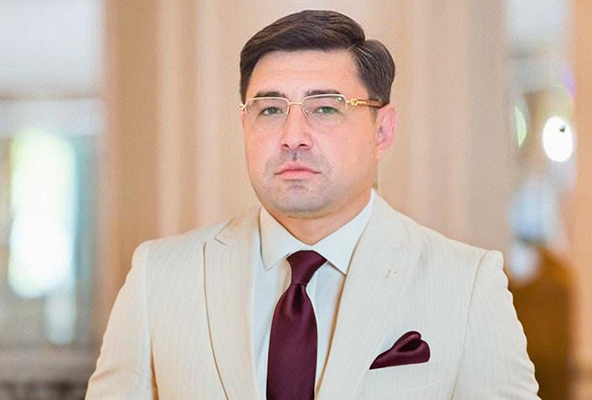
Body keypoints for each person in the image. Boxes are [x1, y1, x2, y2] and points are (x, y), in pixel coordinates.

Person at [86, 9, 540, 400]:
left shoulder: (465, 283)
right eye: (270, 110)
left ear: (382, 131)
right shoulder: (159, 276)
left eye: (325, 108)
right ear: (244, 126)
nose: (293, 137)